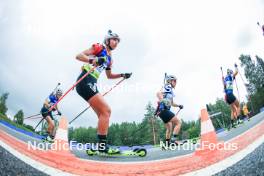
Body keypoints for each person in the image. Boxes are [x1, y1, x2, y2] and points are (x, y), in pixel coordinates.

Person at [75, 30, 132, 154]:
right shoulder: (99, 47)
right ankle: (102, 146)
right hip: (85, 80)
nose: (116, 42)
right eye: (114, 39)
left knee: (102, 114)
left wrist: (123, 75)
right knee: (106, 111)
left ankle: (100, 145)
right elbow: (79, 56)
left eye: (118, 41)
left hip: (91, 83)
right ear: (107, 40)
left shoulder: (110, 59)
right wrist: (93, 60)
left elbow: (109, 75)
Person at [156, 75, 183, 149]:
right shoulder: (168, 87)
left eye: (176, 81)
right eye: (174, 81)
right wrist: (163, 100)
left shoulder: (170, 91)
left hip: (161, 112)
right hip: (163, 110)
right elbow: (158, 93)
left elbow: (172, 103)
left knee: (169, 127)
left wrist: (178, 105)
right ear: (169, 81)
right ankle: (173, 141)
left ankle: (167, 144)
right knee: (178, 122)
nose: (176, 82)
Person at [222, 64, 241, 128]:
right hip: (230, 94)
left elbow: (224, 87)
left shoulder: (225, 79)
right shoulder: (230, 77)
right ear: (229, 73)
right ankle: (238, 120)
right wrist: (236, 67)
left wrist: (222, 80)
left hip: (227, 96)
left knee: (233, 110)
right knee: (238, 105)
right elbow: (236, 72)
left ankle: (232, 123)